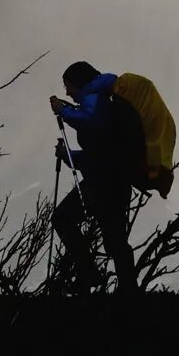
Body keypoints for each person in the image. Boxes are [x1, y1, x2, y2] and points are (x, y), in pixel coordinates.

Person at [49, 60, 142, 294]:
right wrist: (68, 155)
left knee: (63, 218)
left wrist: (63, 110)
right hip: (115, 179)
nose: (67, 91)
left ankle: (89, 273)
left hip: (104, 182)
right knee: (115, 239)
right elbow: (99, 152)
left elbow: (90, 122)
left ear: (78, 83)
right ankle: (128, 290)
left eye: (68, 85)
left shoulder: (94, 98)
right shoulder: (100, 99)